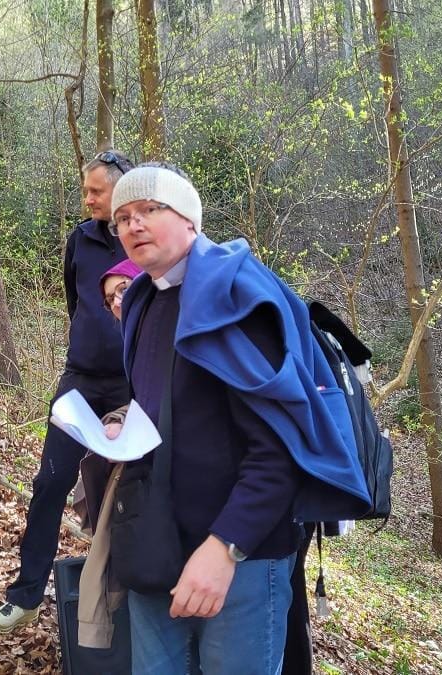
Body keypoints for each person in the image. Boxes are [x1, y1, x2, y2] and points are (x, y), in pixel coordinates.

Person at [85, 163, 367, 673]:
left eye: (150, 209)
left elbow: (279, 447)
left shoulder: (240, 298)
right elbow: (170, 407)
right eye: (123, 216)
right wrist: (122, 426)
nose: (134, 225)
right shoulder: (144, 298)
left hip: (242, 559)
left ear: (190, 220)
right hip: (158, 542)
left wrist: (224, 550)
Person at [0, 151, 133, 632]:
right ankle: (26, 596)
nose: (87, 198)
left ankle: (128, 599)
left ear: (122, 191)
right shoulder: (80, 240)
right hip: (81, 381)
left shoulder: (144, 239)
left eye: (96, 191)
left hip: (135, 387)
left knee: (132, 494)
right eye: (85, 189)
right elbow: (77, 304)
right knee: (49, 484)